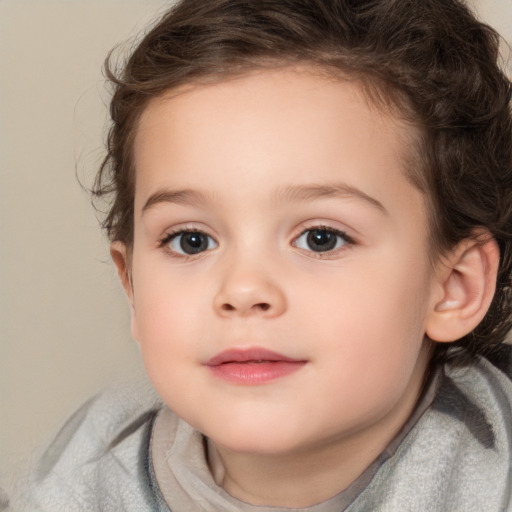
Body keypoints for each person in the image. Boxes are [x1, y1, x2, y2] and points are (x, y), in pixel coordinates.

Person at [19, 0, 512, 510]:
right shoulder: (83, 477)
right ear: (133, 287)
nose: (244, 289)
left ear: (455, 285)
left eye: (321, 238)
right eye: (191, 240)